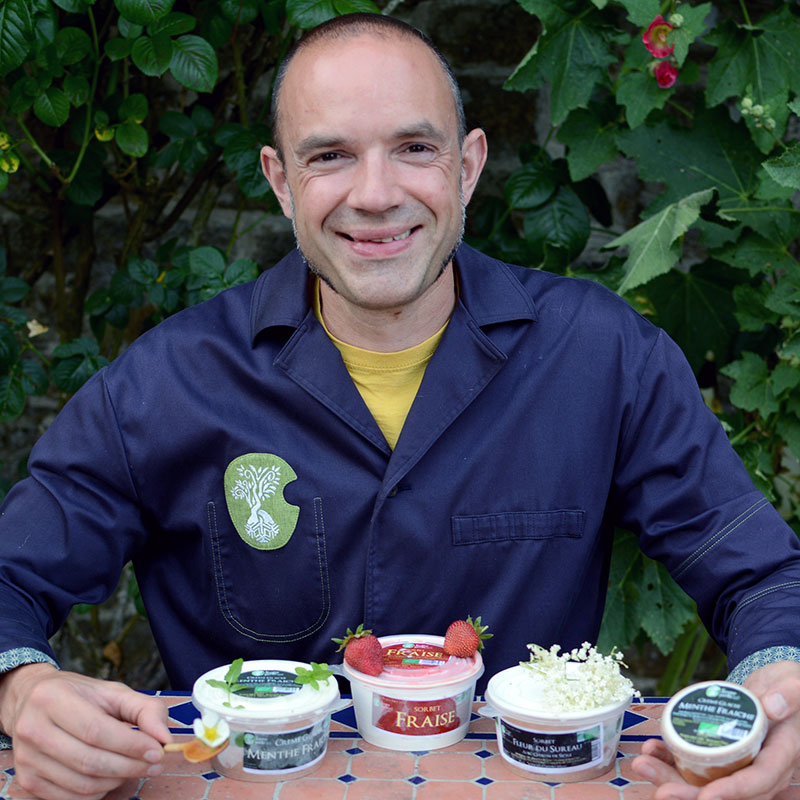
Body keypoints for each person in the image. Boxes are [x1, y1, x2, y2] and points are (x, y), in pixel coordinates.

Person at [0, 11, 799, 800]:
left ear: (468, 166)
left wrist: (781, 687)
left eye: (415, 148)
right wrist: (24, 689)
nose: (376, 195)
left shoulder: (604, 357)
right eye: (331, 156)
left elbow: (761, 575)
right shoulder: (166, 383)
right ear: (280, 181)